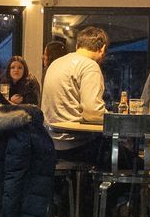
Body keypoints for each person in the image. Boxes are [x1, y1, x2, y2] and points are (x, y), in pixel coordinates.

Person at [42, 26, 111, 168]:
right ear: (103, 49)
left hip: (50, 142)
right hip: (76, 145)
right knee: (133, 162)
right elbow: (92, 113)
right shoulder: (90, 66)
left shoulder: (56, 63)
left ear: (78, 45)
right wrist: (113, 117)